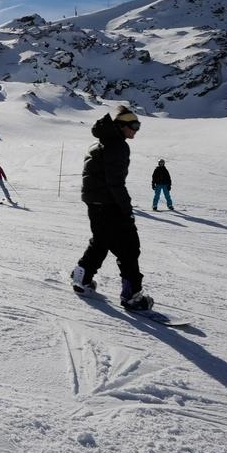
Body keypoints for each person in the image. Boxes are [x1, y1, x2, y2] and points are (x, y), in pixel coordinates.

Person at [70, 106, 154, 310]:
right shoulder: (117, 146)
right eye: (133, 125)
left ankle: (82, 278)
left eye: (138, 125)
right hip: (109, 205)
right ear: (120, 125)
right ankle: (132, 295)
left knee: (101, 242)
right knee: (129, 247)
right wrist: (127, 210)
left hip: (96, 203)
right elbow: (115, 183)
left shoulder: (101, 143)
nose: (135, 130)